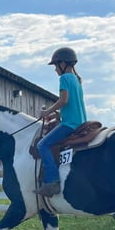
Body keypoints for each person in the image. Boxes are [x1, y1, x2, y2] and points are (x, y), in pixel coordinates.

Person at [36, 47, 87, 196]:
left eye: (55, 66)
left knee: (42, 145)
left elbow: (64, 100)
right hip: (80, 121)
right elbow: (73, 104)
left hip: (70, 124)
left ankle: (52, 181)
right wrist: (58, 116)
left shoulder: (64, 78)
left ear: (63, 63)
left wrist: (47, 112)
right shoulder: (77, 80)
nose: (55, 70)